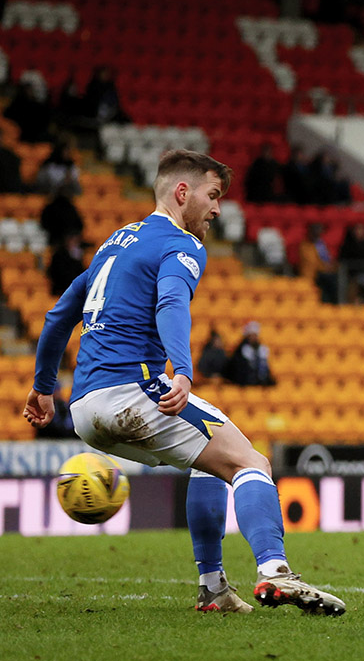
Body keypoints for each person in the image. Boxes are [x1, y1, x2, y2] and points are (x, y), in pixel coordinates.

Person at [22, 149, 344, 616]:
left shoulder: (114, 243)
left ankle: (213, 590)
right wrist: (184, 371)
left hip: (85, 410)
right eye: (212, 196)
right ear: (182, 192)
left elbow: (57, 317)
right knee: (250, 461)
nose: (217, 209)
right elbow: (171, 301)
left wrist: (43, 386)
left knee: (207, 464)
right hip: (134, 391)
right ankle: (275, 572)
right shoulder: (182, 243)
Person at [299, 223, 340, 303]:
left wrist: (331, 266)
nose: (317, 233)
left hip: (323, 274)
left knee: (333, 280)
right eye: (315, 230)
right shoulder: (304, 245)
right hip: (312, 275)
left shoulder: (321, 244)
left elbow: (327, 259)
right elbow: (311, 262)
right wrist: (324, 267)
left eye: (319, 230)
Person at [225, 321, 276, 387]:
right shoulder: (241, 350)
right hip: (246, 383)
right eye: (251, 336)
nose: (253, 338)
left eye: (255, 335)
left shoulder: (262, 349)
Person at [46, 232, 86, 296]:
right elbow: (57, 273)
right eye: (73, 241)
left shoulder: (79, 255)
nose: (75, 244)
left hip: (75, 289)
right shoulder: (58, 256)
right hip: (60, 289)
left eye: (77, 242)